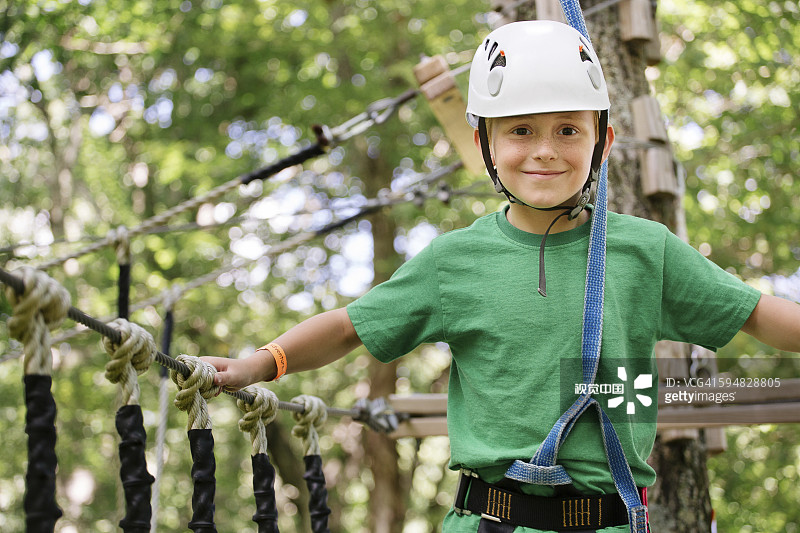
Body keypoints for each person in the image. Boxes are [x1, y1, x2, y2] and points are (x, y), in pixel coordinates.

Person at [202, 20, 800, 533]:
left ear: (603, 141)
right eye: (520, 130)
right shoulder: (455, 262)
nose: (545, 150)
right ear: (485, 141)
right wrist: (264, 362)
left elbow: (757, 313)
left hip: (607, 518)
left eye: (568, 130)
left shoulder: (645, 252)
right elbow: (351, 327)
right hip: (489, 519)